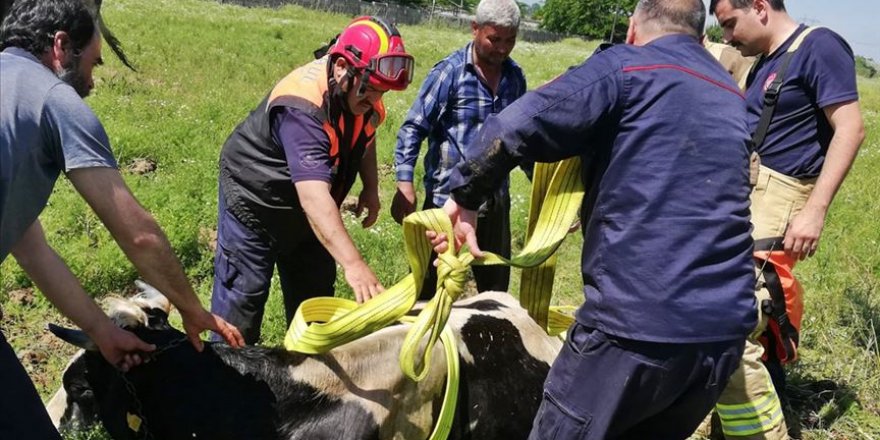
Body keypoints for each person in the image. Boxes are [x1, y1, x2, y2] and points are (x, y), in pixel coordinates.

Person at [431, 0, 757, 437]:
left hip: (635, 328)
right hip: (723, 337)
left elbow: (516, 125)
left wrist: (466, 195)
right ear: (701, 38)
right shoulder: (730, 92)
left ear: (633, 30)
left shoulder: (626, 67)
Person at [0, 1, 244, 439]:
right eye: (93, 63)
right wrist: (192, 311)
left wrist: (101, 331)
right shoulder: (54, 98)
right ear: (61, 46)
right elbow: (138, 234)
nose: (92, 82)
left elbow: (32, 249)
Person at [706, 1, 865, 438]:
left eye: (730, 24)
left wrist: (815, 210)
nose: (727, 37)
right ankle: (731, 421)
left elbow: (851, 128)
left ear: (759, 7)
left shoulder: (819, 46)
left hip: (781, 203)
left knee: (734, 317)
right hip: (750, 199)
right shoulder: (766, 63)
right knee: (755, 322)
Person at [211, 16, 414, 344]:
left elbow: (366, 133)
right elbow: (314, 198)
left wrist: (371, 187)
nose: (375, 100)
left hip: (310, 212)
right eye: (371, 89)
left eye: (382, 92)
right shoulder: (303, 108)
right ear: (342, 68)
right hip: (256, 202)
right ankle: (224, 371)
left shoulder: (359, 94)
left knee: (316, 308)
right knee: (240, 312)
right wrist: (354, 264)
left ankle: (307, 370)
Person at [392, 0, 526, 298]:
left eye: (510, 40)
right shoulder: (450, 73)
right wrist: (405, 184)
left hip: (495, 202)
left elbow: (523, 140)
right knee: (430, 289)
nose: (502, 48)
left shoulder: (515, 79)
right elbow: (413, 127)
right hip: (446, 204)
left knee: (495, 293)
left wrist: (547, 191)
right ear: (475, 28)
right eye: (495, 39)